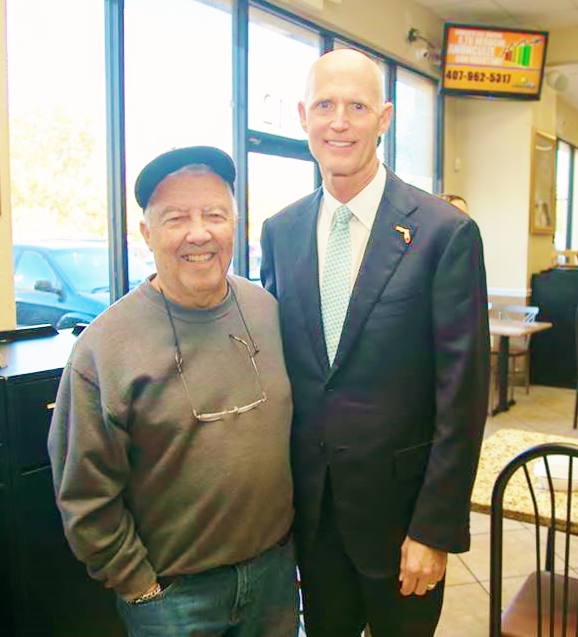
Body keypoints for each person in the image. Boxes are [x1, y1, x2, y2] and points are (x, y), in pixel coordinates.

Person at [260, 49, 490, 636]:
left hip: (402, 522)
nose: (340, 122)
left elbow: (462, 397)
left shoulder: (444, 233)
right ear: (302, 117)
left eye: (356, 106)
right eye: (325, 106)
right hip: (312, 519)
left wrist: (435, 528)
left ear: (383, 119)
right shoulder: (280, 232)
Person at [48, 146, 297, 636]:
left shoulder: (269, 312)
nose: (199, 233)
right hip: (175, 600)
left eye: (215, 215)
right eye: (176, 217)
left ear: (235, 224)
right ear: (146, 234)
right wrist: (139, 586)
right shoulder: (104, 350)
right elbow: (84, 494)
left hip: (274, 581)